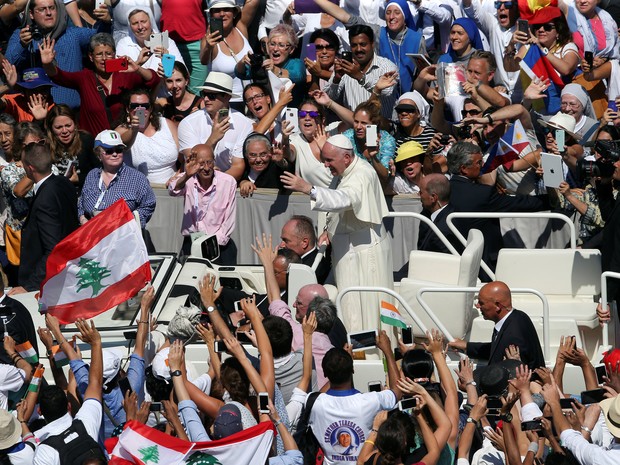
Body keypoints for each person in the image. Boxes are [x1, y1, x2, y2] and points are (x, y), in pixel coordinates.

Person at [281, 134, 393, 332]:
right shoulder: (342, 173)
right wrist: (329, 232)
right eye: (324, 159)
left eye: (329, 160)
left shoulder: (361, 174)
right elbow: (336, 210)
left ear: (347, 158)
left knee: (363, 306)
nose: (325, 165)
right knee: (348, 304)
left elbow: (344, 200)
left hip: (364, 254)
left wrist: (308, 188)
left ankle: (368, 352)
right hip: (348, 249)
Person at [447, 141, 550, 275]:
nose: (482, 165)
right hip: (483, 266)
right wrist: (554, 200)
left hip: (451, 260)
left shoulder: (444, 189)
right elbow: (520, 204)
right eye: (478, 163)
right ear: (464, 168)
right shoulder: (482, 194)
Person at [39, 33, 161, 137]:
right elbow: (59, 76)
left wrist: (138, 68)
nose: (104, 58)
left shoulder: (125, 74)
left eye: (108, 53)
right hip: (94, 146)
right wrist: (47, 64)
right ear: (91, 57)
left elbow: (154, 80)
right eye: (99, 54)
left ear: (114, 54)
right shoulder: (85, 77)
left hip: (123, 143)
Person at [307, 340, 401, 465]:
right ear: (353, 369)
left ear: (325, 373)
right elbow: (398, 392)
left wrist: (338, 368)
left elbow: (321, 394)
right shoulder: (370, 401)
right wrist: (388, 351)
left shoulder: (313, 403)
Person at [4, 0, 111, 108]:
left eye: (52, 8)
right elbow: (8, 66)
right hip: (36, 113)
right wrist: (22, 45)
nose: (48, 13)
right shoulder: (22, 35)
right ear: (31, 14)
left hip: (71, 115)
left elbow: (102, 39)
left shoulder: (72, 34)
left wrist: (106, 22)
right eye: (42, 9)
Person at [32, 318, 105, 465]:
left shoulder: (44, 451)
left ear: (40, 411)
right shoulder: (86, 423)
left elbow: (67, 384)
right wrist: (96, 343)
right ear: (69, 407)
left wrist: (50, 347)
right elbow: (95, 383)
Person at [13, 141, 78, 294]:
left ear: (30, 168)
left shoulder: (44, 200)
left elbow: (53, 248)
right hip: (68, 272)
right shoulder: (64, 183)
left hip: (47, 284)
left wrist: (29, 287)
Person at [448, 281, 545, 370]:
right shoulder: (519, 316)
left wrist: (469, 381)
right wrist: (467, 346)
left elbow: (500, 376)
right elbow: (497, 349)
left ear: (498, 306)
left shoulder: (512, 337)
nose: (477, 306)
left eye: (481, 303)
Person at [178, 71, 254, 181]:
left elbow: (238, 167)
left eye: (212, 95)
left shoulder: (244, 124)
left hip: (227, 185)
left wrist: (217, 182)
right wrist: (213, 138)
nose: (206, 99)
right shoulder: (188, 123)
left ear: (227, 97)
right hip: (196, 185)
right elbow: (193, 163)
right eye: (204, 94)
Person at [168, 143, 237, 263]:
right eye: (201, 164)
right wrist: (186, 176)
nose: (206, 168)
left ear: (214, 161)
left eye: (209, 162)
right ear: (193, 163)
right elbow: (173, 190)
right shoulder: (186, 179)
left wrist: (212, 245)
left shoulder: (228, 182)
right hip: (192, 242)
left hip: (219, 245)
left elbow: (229, 219)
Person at [79, 130, 156, 230]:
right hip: (93, 235)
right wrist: (83, 220)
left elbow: (148, 204)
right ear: (98, 154)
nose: (115, 154)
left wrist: (128, 223)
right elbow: (81, 203)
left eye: (119, 150)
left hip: (123, 235)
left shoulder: (137, 178)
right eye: (109, 151)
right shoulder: (92, 175)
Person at [323, 24, 398, 120]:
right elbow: (327, 99)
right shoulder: (345, 66)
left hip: (383, 130)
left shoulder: (387, 66)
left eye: (363, 44)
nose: (358, 49)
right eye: (354, 45)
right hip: (353, 128)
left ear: (372, 44)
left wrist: (360, 76)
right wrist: (336, 79)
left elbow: (387, 91)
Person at [200, 0, 257, 111]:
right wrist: (208, 46)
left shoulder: (241, 26)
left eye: (226, 9)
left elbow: (253, 2)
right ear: (211, 14)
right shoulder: (209, 38)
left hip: (251, 100)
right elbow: (203, 60)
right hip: (226, 104)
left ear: (234, 13)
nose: (222, 14)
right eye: (217, 10)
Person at [115, 88, 180, 185]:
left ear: (151, 108)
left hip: (172, 187)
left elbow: (183, 157)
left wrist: (177, 177)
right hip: (139, 189)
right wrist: (134, 129)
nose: (140, 109)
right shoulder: (121, 130)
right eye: (134, 106)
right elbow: (124, 144)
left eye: (145, 106)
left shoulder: (166, 124)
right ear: (127, 109)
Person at [115, 8, 185, 76]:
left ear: (151, 22)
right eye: (135, 23)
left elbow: (183, 73)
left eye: (143, 21)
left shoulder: (167, 42)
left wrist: (168, 64)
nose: (140, 27)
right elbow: (117, 75)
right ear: (130, 26)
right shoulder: (123, 43)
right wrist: (138, 63)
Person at [45, 104, 99, 192]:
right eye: (59, 127)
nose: (64, 131)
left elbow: (100, 172)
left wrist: (79, 179)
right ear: (51, 129)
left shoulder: (86, 140)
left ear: (75, 124)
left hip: (85, 193)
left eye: (68, 125)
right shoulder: (46, 146)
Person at [342, 99, 396, 185]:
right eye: (356, 122)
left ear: (375, 124)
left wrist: (373, 157)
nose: (358, 127)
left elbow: (384, 176)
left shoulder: (387, 141)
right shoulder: (347, 137)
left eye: (364, 123)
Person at [285, 97, 333, 189]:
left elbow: (352, 120)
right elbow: (289, 154)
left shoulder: (333, 132)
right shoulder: (295, 139)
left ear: (322, 119)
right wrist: (284, 139)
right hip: (314, 199)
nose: (307, 118)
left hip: (339, 196)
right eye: (302, 114)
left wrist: (324, 147)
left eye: (312, 114)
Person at [279, 215, 331, 284]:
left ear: (304, 243)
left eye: (286, 240)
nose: (281, 245)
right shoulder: (308, 262)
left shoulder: (311, 269)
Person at [238, 133, 293, 198]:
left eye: (263, 154)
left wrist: (280, 162)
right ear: (246, 155)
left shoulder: (276, 169)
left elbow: (287, 171)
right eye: (253, 155)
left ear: (270, 152)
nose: (258, 160)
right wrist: (242, 182)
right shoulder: (241, 170)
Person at [416, 173, 458, 254]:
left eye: (421, 192)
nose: (419, 195)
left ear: (433, 197)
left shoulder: (443, 232)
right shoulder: (428, 216)